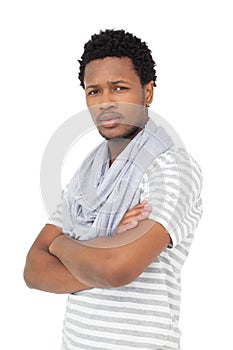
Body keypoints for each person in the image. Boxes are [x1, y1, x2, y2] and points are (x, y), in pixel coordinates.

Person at [24, 29, 203, 350]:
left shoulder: (171, 167)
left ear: (147, 93)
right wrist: (105, 248)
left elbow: (116, 269)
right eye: (94, 91)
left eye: (119, 88)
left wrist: (64, 243)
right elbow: (33, 271)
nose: (106, 102)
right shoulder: (85, 175)